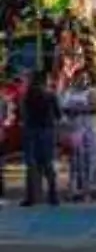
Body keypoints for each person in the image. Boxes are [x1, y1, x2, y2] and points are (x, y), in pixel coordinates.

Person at [20, 70, 62, 207]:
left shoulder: (27, 95)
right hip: (47, 131)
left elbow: (23, 113)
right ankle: (53, 195)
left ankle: (31, 197)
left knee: (31, 164)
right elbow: (58, 114)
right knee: (48, 164)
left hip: (31, 130)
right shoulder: (50, 95)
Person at [60, 70, 96, 202]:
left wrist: (79, 108)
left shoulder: (92, 92)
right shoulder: (69, 92)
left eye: (86, 78)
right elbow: (63, 107)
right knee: (75, 160)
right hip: (75, 130)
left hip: (90, 130)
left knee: (89, 159)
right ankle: (73, 190)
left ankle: (88, 190)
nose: (84, 80)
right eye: (81, 77)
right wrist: (82, 108)